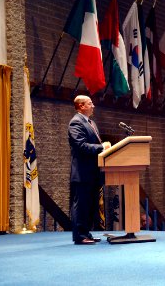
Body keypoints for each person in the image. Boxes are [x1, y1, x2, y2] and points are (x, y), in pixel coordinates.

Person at [69, 95, 111, 245]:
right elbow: (80, 146)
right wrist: (102, 147)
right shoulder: (76, 122)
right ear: (81, 106)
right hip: (82, 173)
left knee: (90, 205)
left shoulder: (90, 122)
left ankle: (86, 233)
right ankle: (80, 236)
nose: (93, 106)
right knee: (81, 205)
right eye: (90, 103)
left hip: (92, 172)